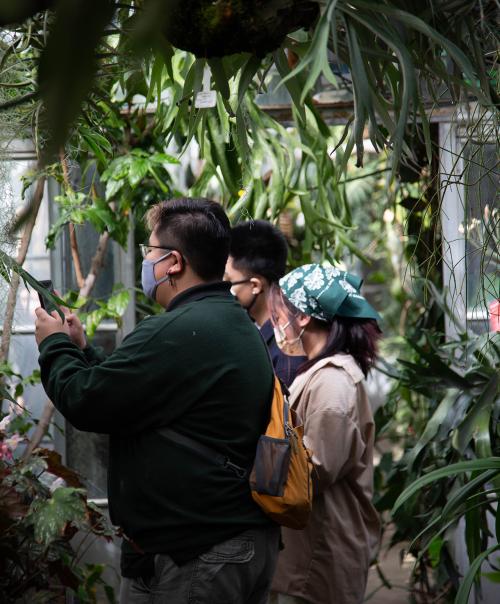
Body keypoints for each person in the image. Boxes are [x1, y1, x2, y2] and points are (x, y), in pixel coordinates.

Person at [35, 198, 280, 604]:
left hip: (199, 553)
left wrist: (54, 344)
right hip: (231, 542)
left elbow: (84, 399)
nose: (145, 261)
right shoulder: (229, 321)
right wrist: (81, 348)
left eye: (149, 252)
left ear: (173, 263)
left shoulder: (180, 330)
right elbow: (134, 392)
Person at [268, 263, 382, 604]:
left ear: (302, 317)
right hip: (309, 559)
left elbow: (308, 476)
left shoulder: (332, 384)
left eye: (278, 314)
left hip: (317, 563)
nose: (277, 325)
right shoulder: (324, 373)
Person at [225, 220, 306, 386]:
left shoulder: (285, 352)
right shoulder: (286, 330)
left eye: (228, 281)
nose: (223, 287)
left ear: (255, 285)